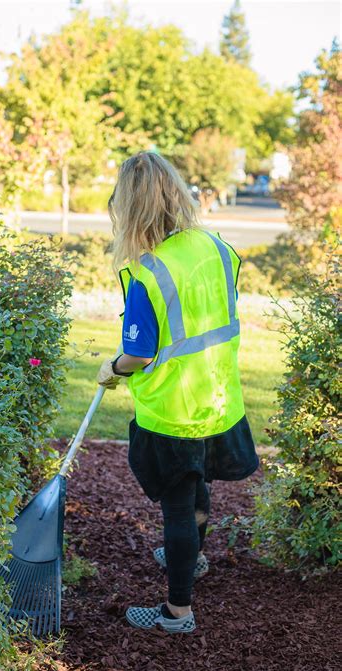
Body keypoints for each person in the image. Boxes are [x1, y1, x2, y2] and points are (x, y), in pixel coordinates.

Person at [97, 152, 259, 634]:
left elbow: (139, 355)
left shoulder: (148, 273)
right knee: (198, 491)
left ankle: (177, 612)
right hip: (219, 400)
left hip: (173, 412)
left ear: (132, 208)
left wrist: (112, 369)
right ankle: (191, 557)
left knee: (178, 508)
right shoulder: (219, 249)